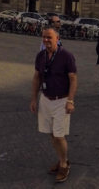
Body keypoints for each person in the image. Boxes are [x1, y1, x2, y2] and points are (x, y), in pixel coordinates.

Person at [30, 26, 77, 183]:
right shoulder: (40, 56)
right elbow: (37, 77)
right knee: (51, 134)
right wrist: (33, 99)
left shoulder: (66, 56)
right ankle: (61, 158)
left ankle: (64, 164)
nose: (46, 40)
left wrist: (70, 100)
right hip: (46, 99)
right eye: (44, 37)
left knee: (59, 135)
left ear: (57, 38)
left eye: (49, 37)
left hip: (62, 101)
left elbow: (73, 79)